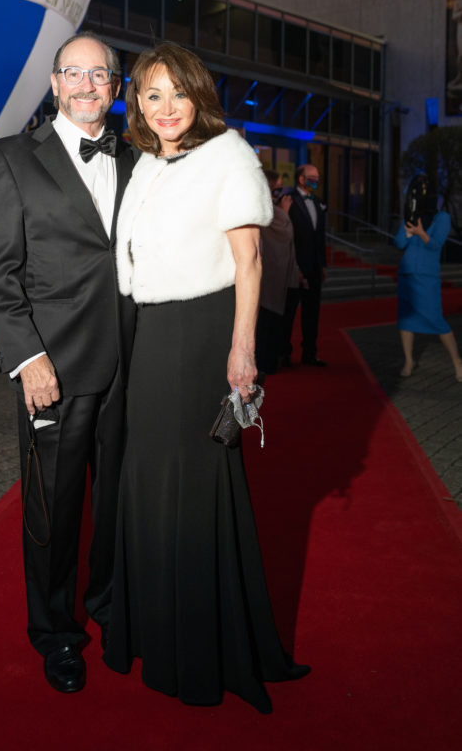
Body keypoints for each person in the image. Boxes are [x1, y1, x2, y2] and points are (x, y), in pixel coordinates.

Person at [104, 42, 310, 710]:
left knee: (194, 483)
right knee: (145, 475)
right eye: (152, 94)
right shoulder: (144, 163)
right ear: (137, 102)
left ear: (199, 96)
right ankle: (151, 629)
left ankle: (200, 651)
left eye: (178, 93)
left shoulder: (228, 154)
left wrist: (242, 350)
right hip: (148, 334)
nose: (166, 107)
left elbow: (249, 262)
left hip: (200, 335)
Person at [0, 32, 136, 694]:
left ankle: (111, 607)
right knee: (53, 511)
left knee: (120, 503)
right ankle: (56, 632)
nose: (86, 85)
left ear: (115, 88)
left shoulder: (139, 158)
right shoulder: (11, 158)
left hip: (131, 365)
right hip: (54, 370)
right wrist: (26, 358)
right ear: (53, 82)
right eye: (74, 72)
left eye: (99, 75)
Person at [394, 182, 462, 381]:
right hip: (407, 274)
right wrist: (408, 233)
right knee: (406, 320)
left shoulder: (442, 218)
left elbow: (435, 245)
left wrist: (421, 233)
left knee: (436, 320)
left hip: (427, 276)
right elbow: (399, 243)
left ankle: (457, 362)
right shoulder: (411, 216)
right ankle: (409, 361)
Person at [280, 163, 327, 367]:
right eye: (312, 176)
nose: (316, 180)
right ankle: (284, 353)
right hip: (294, 266)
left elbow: (320, 237)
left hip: (314, 267)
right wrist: (294, 267)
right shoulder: (289, 201)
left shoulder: (318, 202)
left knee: (312, 313)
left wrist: (322, 265)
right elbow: (287, 237)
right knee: (288, 313)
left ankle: (310, 353)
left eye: (317, 176)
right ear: (301, 179)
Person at [255, 169, 299, 381]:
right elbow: (284, 231)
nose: (281, 193)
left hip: (278, 276)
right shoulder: (266, 209)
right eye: (278, 188)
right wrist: (285, 212)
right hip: (268, 277)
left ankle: (271, 359)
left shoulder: (272, 208)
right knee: (267, 322)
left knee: (273, 321)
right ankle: (265, 363)